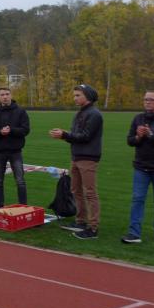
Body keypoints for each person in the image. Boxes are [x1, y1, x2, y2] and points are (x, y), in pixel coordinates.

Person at [50, 84, 104, 239]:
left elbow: (86, 136)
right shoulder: (80, 113)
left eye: (78, 95)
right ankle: (80, 221)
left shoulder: (94, 114)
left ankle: (93, 228)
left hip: (88, 158)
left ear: (88, 96)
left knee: (90, 193)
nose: (75, 98)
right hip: (76, 156)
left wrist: (65, 135)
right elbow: (76, 136)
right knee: (76, 191)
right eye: (74, 95)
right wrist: (64, 135)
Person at [121, 90, 154, 244]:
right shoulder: (138, 118)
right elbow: (130, 141)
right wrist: (138, 136)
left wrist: (150, 135)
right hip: (141, 166)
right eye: (145, 99)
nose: (147, 102)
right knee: (137, 199)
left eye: (151, 99)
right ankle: (134, 233)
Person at [0, 87, 30, 208]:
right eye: (2, 94)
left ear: (11, 95)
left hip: (16, 152)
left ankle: (23, 207)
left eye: (7, 94)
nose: (5, 97)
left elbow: (26, 130)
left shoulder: (21, 112)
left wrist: (11, 130)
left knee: (20, 181)